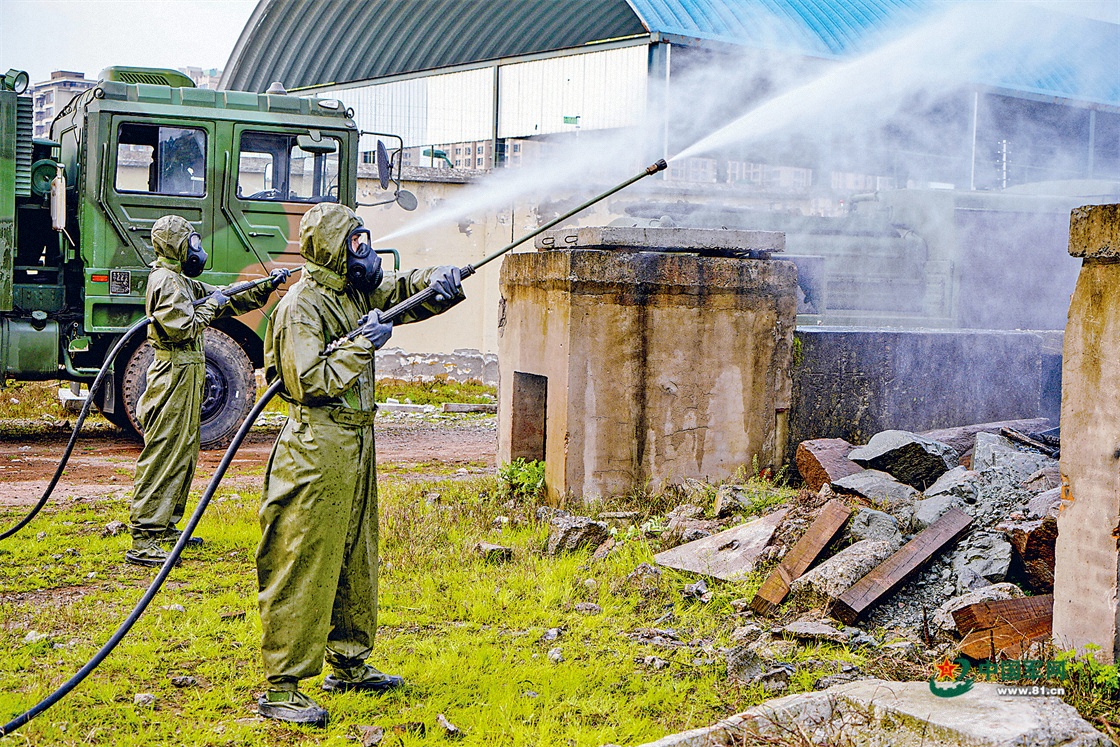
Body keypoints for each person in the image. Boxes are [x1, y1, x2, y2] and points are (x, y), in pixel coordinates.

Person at [255, 202, 463, 726]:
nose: (365, 251)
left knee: (355, 555)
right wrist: (361, 346)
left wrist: (438, 281)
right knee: (305, 559)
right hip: (317, 444)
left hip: (356, 438)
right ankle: (283, 686)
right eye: (355, 242)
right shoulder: (303, 306)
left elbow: (400, 292)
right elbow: (309, 381)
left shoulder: (353, 290)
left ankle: (348, 663)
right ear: (332, 248)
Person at [126, 215, 289, 567]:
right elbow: (184, 327)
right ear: (175, 245)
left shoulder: (179, 280)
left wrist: (264, 286)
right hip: (172, 372)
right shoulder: (165, 281)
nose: (195, 249)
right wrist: (213, 304)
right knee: (165, 453)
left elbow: (224, 298)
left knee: (182, 453)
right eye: (190, 241)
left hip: (186, 372)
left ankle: (165, 530)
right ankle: (145, 539)